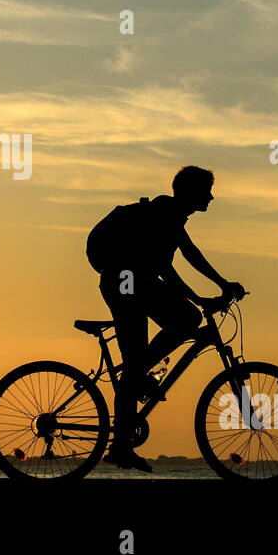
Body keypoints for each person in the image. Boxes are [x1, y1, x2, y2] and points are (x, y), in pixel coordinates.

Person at [85, 165, 244, 472]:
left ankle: (136, 385)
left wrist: (221, 285)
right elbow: (166, 270)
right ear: (190, 192)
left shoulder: (171, 217)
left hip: (132, 282)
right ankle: (122, 439)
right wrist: (201, 297)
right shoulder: (162, 215)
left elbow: (190, 254)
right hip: (126, 282)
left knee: (181, 321)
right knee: (183, 321)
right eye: (206, 191)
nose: (211, 197)